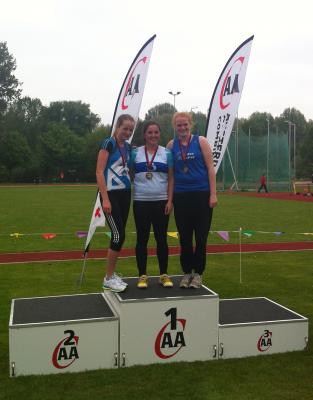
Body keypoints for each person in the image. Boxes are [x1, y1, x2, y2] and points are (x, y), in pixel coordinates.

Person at [167, 112, 217, 289]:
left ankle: (198, 274)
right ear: (175, 127)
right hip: (181, 197)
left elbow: (211, 167)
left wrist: (213, 194)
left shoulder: (201, 141)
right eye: (179, 125)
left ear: (190, 124)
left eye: (185, 124)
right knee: (185, 239)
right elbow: (171, 175)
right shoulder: (171, 145)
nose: (182, 128)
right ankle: (187, 272)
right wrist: (170, 199)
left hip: (202, 195)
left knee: (201, 238)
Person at [131, 121, 174, 289]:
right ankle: (142, 275)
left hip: (162, 202)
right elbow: (129, 172)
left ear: (159, 134)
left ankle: (163, 274)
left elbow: (171, 178)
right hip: (141, 202)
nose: (153, 135)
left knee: (161, 239)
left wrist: (170, 201)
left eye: (156, 132)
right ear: (144, 135)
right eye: (150, 132)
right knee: (142, 239)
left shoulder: (167, 153)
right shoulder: (135, 153)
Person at [96, 114, 135, 292]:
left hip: (125, 194)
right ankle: (108, 278)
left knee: (120, 234)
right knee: (118, 235)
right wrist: (105, 198)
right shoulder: (108, 143)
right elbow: (99, 171)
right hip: (110, 195)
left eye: (130, 130)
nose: (127, 132)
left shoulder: (127, 147)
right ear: (117, 127)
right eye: (124, 128)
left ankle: (112, 275)